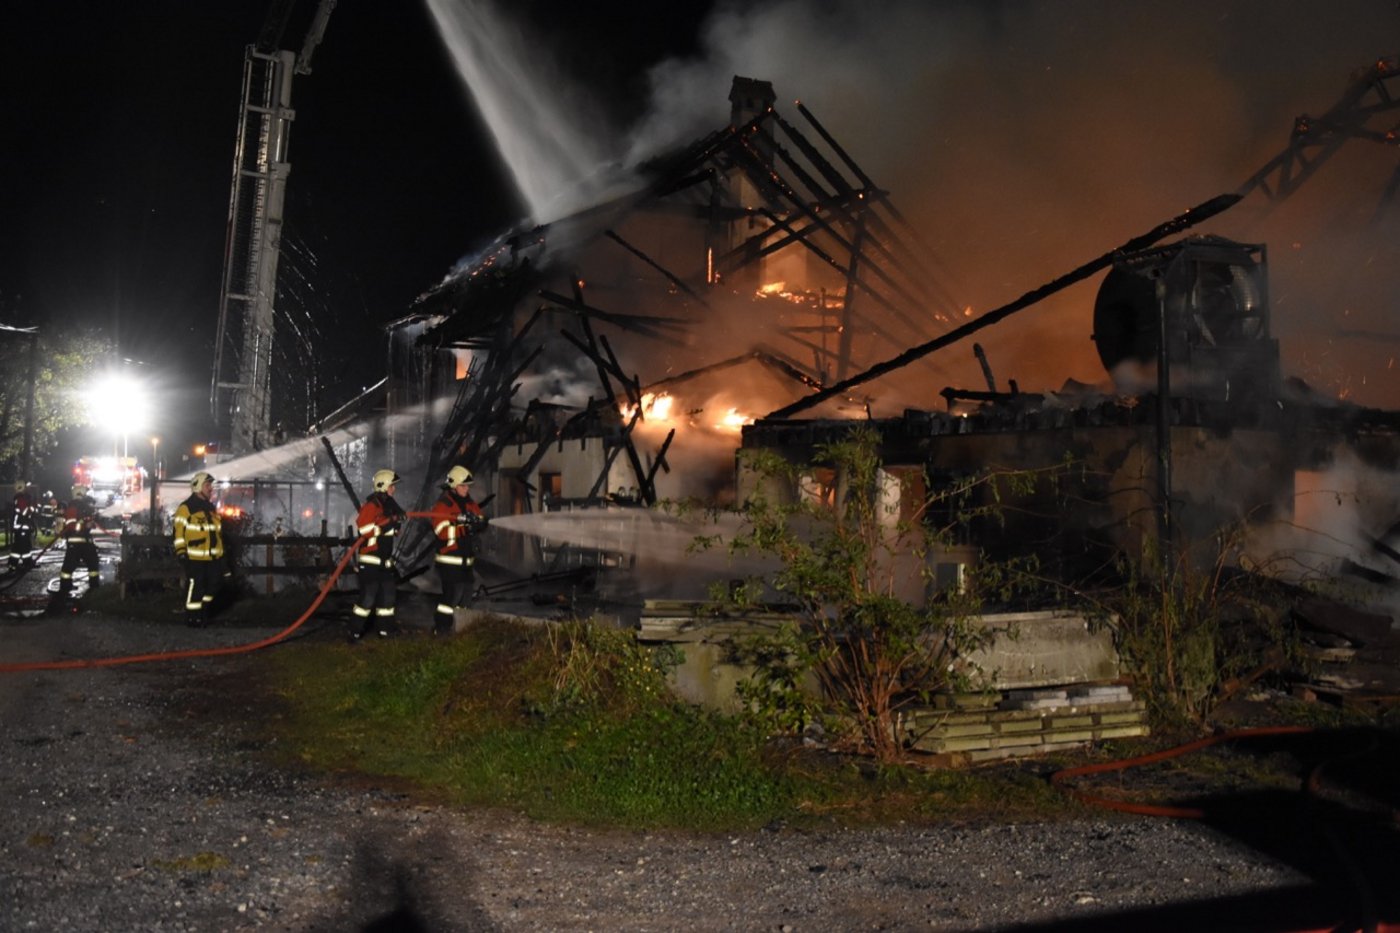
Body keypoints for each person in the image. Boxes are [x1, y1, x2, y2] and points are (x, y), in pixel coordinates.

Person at [428, 465, 486, 635]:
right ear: (453, 486)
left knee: (467, 595)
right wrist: (463, 526)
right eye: (463, 485)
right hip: (449, 561)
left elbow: (479, 517)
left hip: (466, 560)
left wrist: (479, 522)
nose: (466, 489)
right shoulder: (443, 505)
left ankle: (460, 628)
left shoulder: (469, 502)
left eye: (467, 486)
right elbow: (441, 531)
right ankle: (441, 628)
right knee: (452, 596)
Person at [352, 468, 405, 640]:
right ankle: (354, 631)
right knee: (367, 599)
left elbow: (391, 531)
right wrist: (386, 524)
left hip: (384, 561)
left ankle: (385, 630)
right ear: (382, 485)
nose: (393, 489)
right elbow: (364, 528)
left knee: (388, 598)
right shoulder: (372, 505)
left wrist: (396, 524)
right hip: (370, 561)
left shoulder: (389, 505)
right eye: (391, 486)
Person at [172, 472, 228, 627]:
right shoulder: (186, 508)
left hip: (213, 558)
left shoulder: (211, 508)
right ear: (198, 487)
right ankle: (192, 617)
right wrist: (181, 552)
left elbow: (217, 534)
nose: (211, 489)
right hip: (194, 557)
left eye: (211, 485)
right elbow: (178, 533)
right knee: (196, 587)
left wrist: (223, 557)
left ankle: (202, 610)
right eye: (207, 485)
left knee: (215, 585)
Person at [56, 484, 101, 604]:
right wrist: (83, 525)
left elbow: (86, 521)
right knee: (68, 568)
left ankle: (94, 587)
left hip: (85, 541)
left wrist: (90, 523)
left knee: (93, 563)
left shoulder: (83, 506)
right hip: (75, 542)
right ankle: (65, 588)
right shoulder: (73, 507)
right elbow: (71, 525)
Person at [8, 482, 38, 569]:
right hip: (22, 527)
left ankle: (21, 563)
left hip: (21, 527)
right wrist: (32, 507)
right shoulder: (20, 498)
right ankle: (19, 563)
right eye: (26, 487)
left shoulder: (18, 498)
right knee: (22, 546)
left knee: (22, 545)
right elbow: (24, 512)